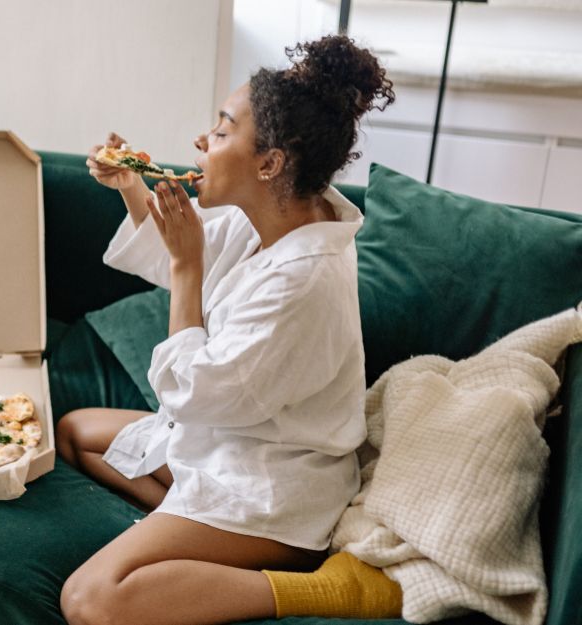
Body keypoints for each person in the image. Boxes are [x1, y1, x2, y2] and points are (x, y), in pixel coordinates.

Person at [56, 35, 402, 624]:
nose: (200, 142)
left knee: (90, 600)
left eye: (220, 132)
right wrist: (132, 185)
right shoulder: (271, 216)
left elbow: (193, 392)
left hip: (273, 486)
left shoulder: (304, 280)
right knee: (73, 431)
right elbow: (176, 246)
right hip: (225, 444)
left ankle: (316, 584)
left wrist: (188, 271)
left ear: (270, 164)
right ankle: (197, 539)